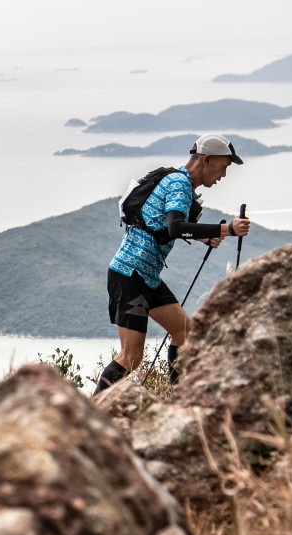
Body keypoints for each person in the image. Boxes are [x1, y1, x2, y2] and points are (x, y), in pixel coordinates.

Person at [93, 134, 252, 394]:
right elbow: (175, 227)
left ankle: (178, 398)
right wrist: (227, 229)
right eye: (223, 167)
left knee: (185, 333)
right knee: (131, 356)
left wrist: (204, 236)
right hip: (130, 273)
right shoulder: (179, 183)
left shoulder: (178, 181)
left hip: (146, 276)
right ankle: (94, 408)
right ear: (207, 160)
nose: (223, 175)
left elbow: (161, 225)